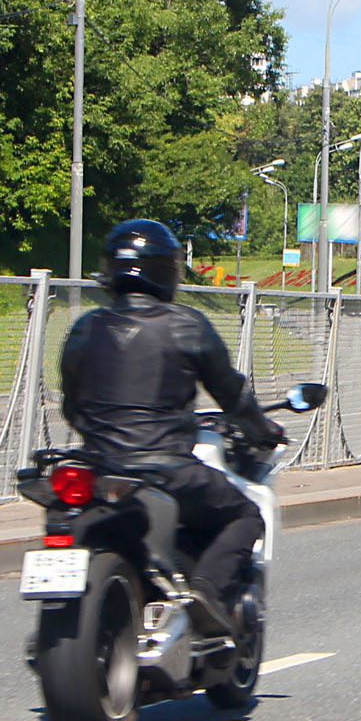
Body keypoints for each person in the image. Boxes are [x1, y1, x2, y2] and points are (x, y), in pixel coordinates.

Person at [57, 219, 283, 624]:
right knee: (246, 514)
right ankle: (207, 593)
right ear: (167, 271)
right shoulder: (185, 324)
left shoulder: (84, 328)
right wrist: (262, 430)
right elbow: (231, 392)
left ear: (110, 270)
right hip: (166, 470)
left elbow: (72, 406)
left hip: (99, 469)